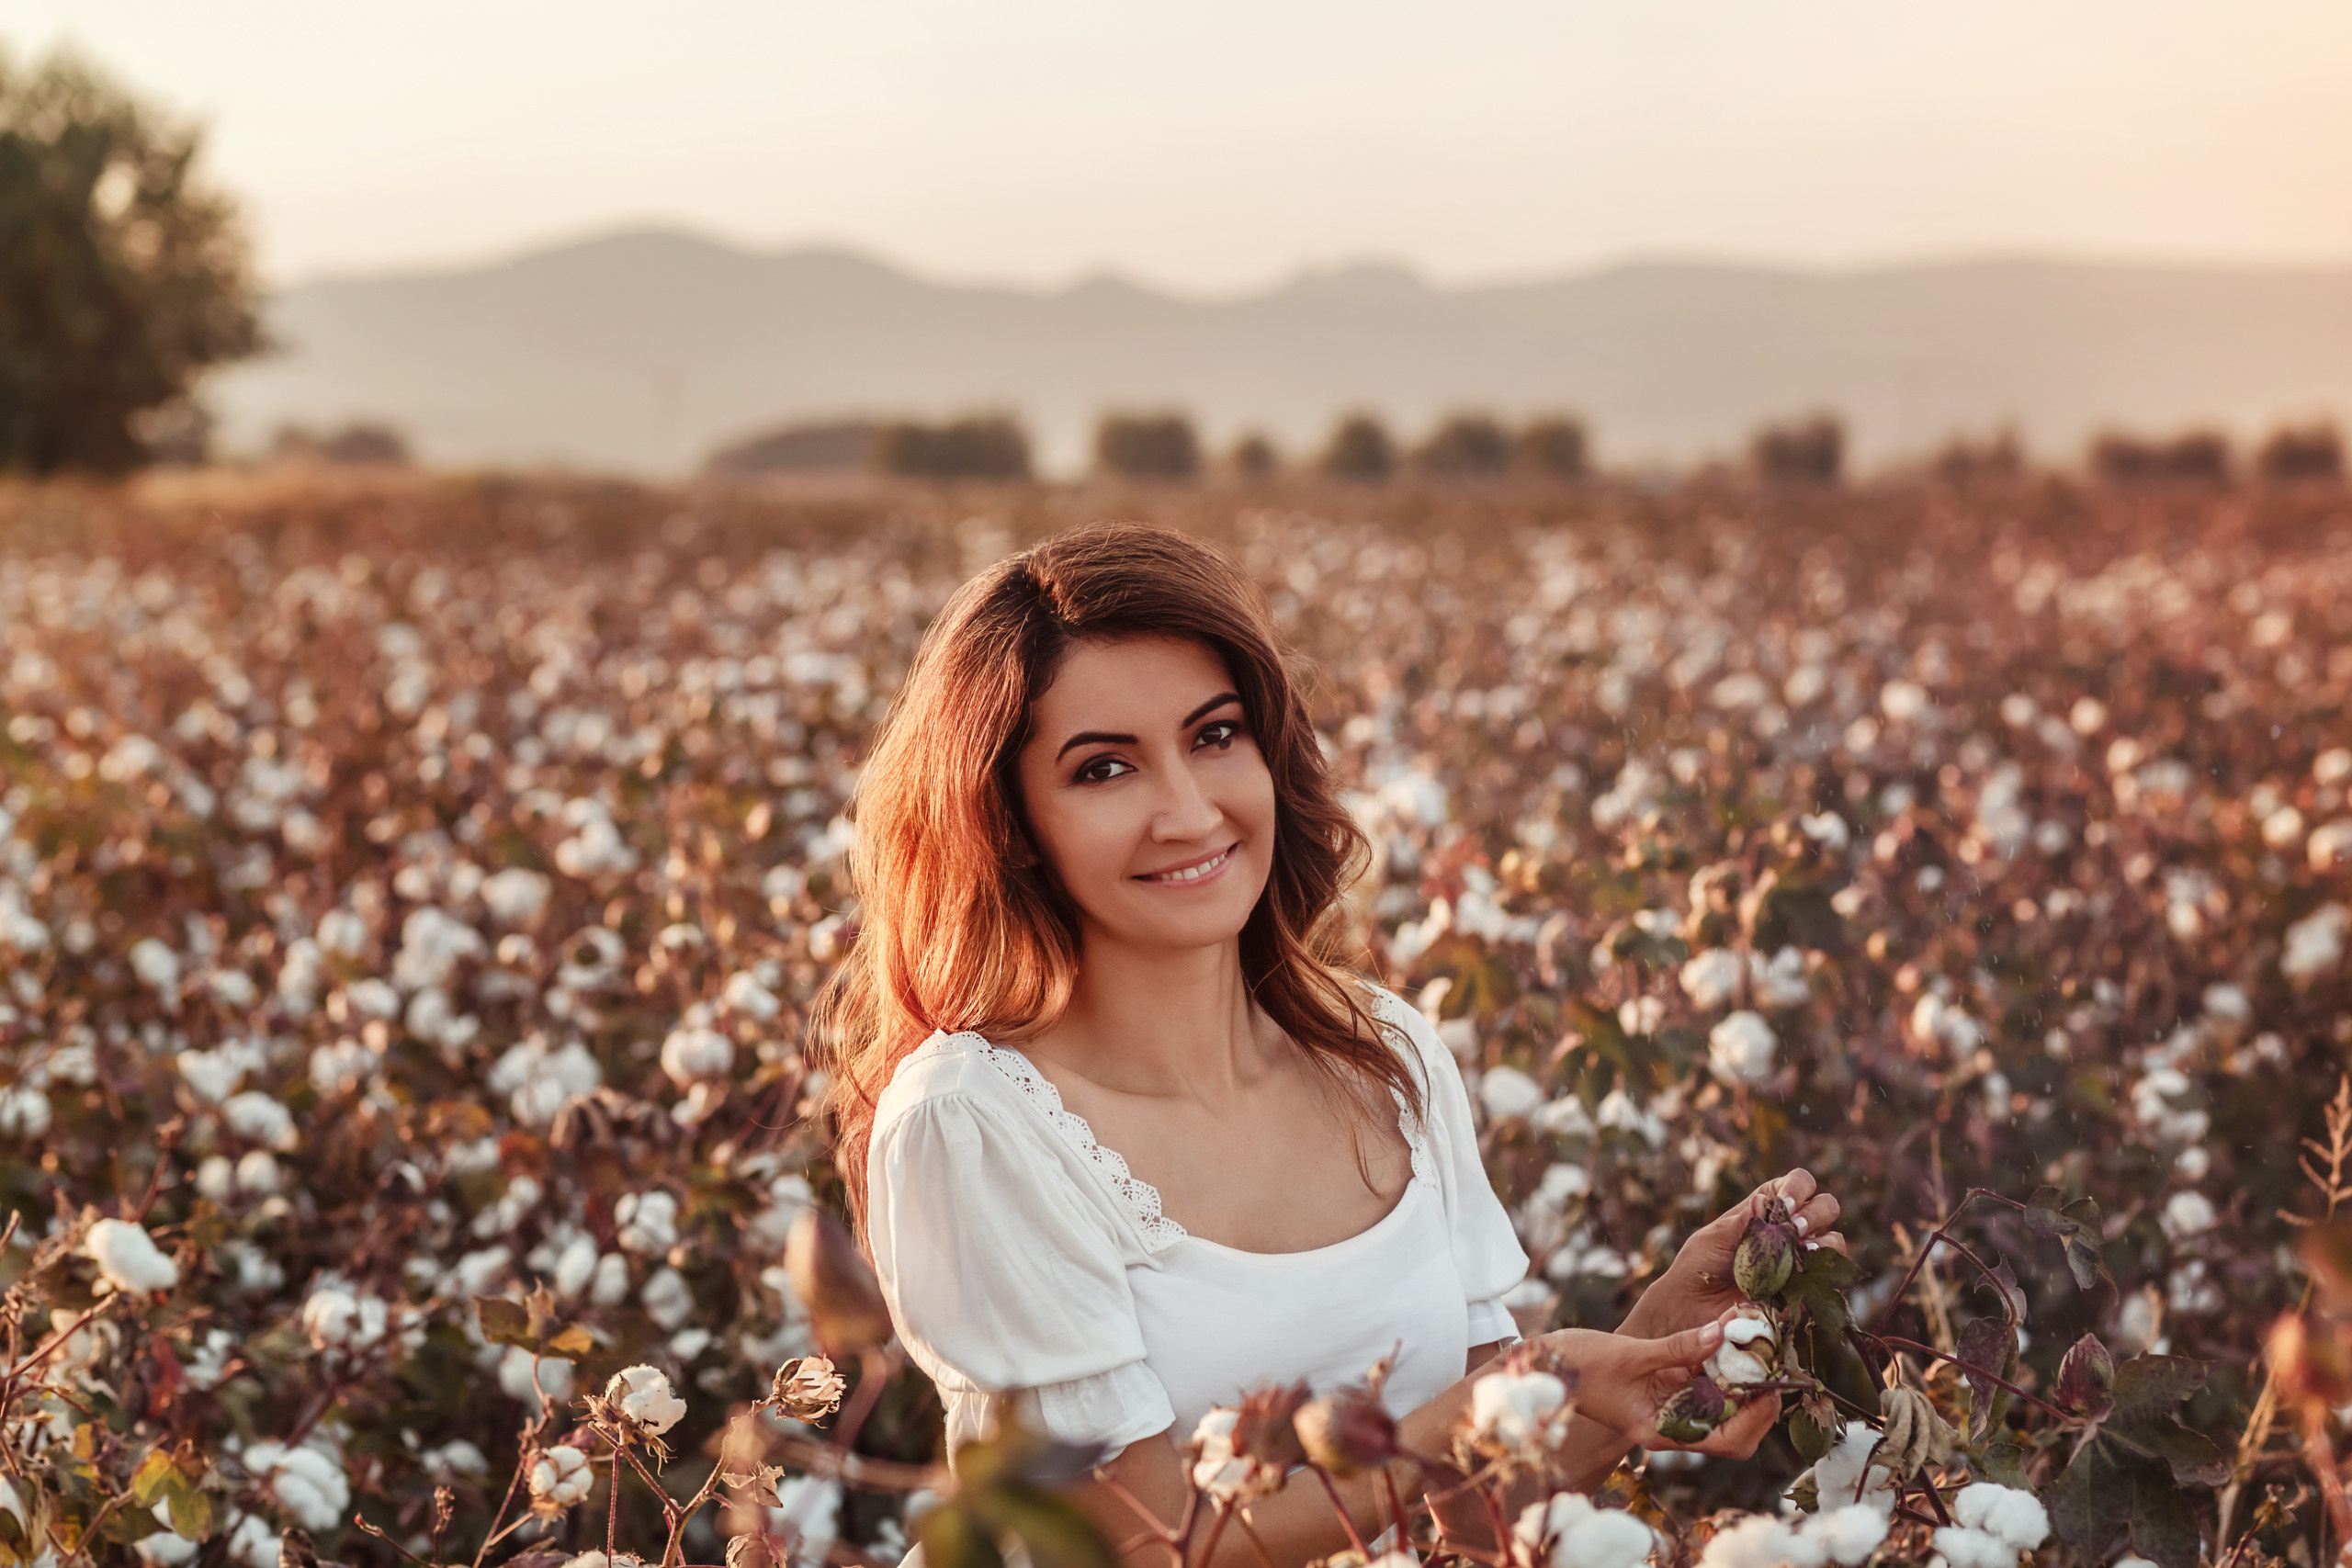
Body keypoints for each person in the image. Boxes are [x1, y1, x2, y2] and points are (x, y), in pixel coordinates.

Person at [813, 523, 1843, 1566]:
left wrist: (1652, 1341)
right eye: (1105, 768)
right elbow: (1142, 1549)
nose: (1188, 811)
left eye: (1214, 736)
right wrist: (1498, 1397)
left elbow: (1481, 1509)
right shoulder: (974, 1122)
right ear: (1010, 825)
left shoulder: (1383, 1055)